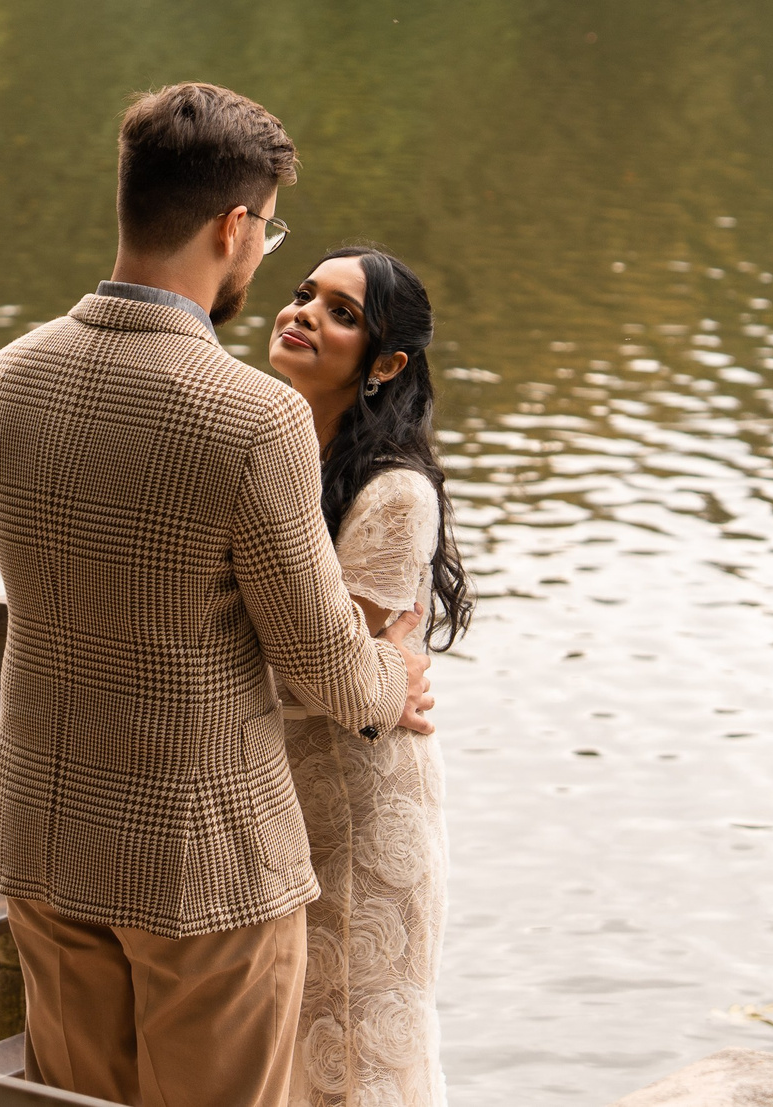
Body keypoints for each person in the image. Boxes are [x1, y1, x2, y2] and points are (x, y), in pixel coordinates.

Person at [0, 82, 437, 1107]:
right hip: (203, 865)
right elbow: (326, 665)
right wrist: (392, 674)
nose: (266, 257)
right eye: (270, 234)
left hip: (41, 837)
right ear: (232, 227)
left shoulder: (5, 381)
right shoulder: (251, 417)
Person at [267, 246, 469, 1107]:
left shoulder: (394, 493)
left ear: (388, 362)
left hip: (356, 801)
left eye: (341, 311)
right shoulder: (274, 451)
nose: (305, 311)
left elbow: (325, 675)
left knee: (353, 1050)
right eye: (306, 292)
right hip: (279, 795)